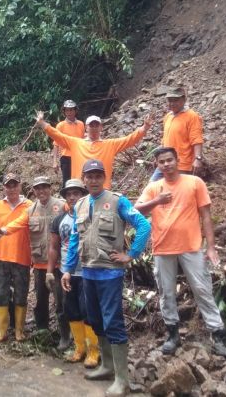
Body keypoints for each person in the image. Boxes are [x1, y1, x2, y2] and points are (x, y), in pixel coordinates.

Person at [61, 160, 151, 396]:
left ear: (104, 177)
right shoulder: (80, 204)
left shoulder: (117, 200)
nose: (93, 180)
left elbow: (143, 225)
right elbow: (74, 240)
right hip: (87, 272)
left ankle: (122, 380)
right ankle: (107, 366)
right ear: (84, 178)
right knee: (95, 319)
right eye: (89, 176)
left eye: (98, 176)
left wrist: (130, 255)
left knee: (113, 321)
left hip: (110, 273)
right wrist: (68, 269)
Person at [135, 147, 226, 358]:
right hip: (162, 247)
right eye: (162, 162)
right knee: (166, 292)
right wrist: (157, 201)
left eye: (170, 160)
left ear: (177, 160)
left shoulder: (195, 183)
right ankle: (173, 334)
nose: (166, 164)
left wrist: (211, 247)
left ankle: (218, 334)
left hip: (191, 246)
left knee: (202, 289)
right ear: (157, 165)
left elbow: (206, 216)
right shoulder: (154, 187)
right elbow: (136, 211)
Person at [48, 178, 101, 368]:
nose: (72, 197)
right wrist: (49, 270)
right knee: (71, 310)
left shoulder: (92, 215)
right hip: (66, 273)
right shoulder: (59, 220)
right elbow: (54, 247)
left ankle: (93, 351)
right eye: (69, 194)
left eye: (76, 193)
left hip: (88, 271)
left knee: (88, 311)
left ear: (83, 195)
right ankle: (79, 349)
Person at [36, 110, 154, 189]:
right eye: (91, 125)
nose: (93, 127)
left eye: (96, 125)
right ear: (86, 128)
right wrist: (42, 123)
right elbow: (57, 135)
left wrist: (144, 128)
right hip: (80, 189)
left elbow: (129, 140)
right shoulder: (75, 143)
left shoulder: (110, 144)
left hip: (102, 190)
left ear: (101, 127)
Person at [0, 173, 32, 342]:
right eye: (8, 185)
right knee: (2, 294)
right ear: (3, 187)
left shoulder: (30, 205)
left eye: (15, 185)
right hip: (1, 257)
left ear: (20, 186)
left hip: (22, 256)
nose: (12, 188)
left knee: (21, 294)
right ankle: (1, 331)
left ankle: (19, 331)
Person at [28, 176, 67, 347]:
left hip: (59, 264)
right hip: (39, 264)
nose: (41, 191)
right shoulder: (30, 210)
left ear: (50, 188)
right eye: (38, 188)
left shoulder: (62, 206)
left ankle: (65, 336)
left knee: (61, 301)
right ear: (34, 191)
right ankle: (42, 331)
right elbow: (23, 233)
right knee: (40, 300)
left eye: (44, 187)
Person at [151, 86, 206, 181]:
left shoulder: (192, 116)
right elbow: (165, 140)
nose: (172, 103)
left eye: (175, 100)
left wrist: (198, 159)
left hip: (183, 165)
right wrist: (158, 157)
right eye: (169, 100)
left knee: (177, 192)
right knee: (152, 187)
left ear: (183, 100)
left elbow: (196, 139)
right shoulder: (168, 117)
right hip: (165, 163)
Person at [52, 99, 85, 185]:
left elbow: (82, 142)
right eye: (67, 110)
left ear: (75, 110)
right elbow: (56, 144)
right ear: (64, 112)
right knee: (67, 182)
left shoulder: (81, 124)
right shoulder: (61, 126)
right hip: (66, 157)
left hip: (79, 156)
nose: (69, 112)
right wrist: (55, 161)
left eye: (71, 110)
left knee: (79, 181)